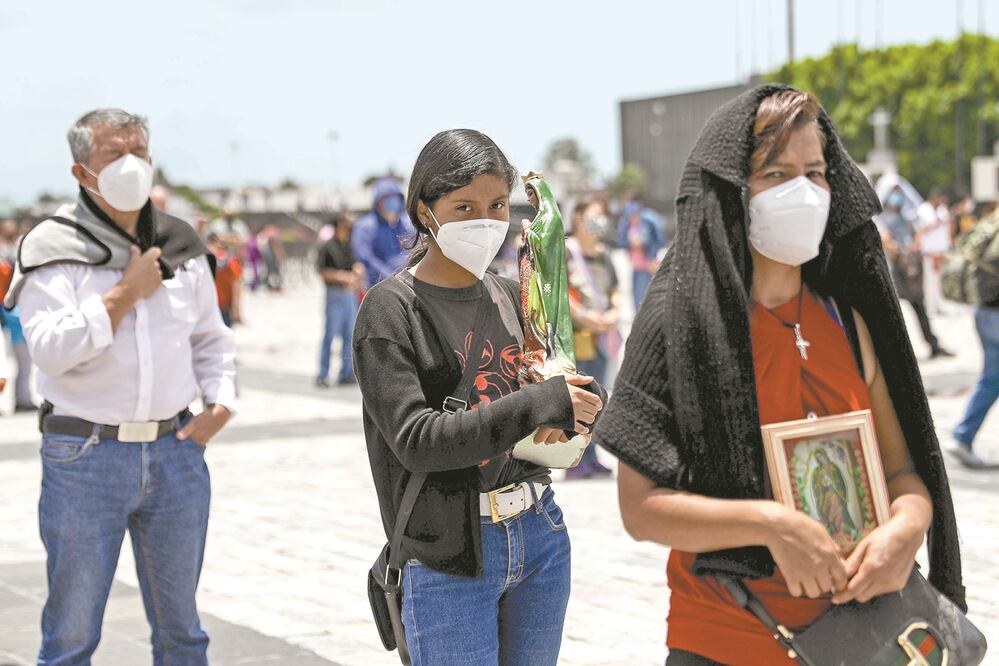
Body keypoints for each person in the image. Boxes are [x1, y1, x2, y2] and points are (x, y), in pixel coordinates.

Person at [593, 86, 965, 665]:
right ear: (733, 192)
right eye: (776, 173)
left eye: (815, 173)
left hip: (862, 640)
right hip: (722, 640)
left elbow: (903, 473)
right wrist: (770, 526)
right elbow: (641, 509)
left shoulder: (847, 322)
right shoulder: (679, 322)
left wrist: (906, 531)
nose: (804, 192)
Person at [353, 129, 606, 665]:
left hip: (540, 534)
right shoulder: (391, 310)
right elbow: (416, 440)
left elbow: (534, 394)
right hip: (449, 555)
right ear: (425, 210)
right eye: (464, 206)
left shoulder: (506, 292)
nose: (485, 220)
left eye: (496, 204)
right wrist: (538, 404)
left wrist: (576, 403)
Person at [6, 108, 236, 665]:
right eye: (115, 155)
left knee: (182, 631)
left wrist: (220, 400)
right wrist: (123, 295)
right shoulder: (52, 247)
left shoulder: (180, 241)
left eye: (140, 154)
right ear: (83, 172)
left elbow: (210, 336)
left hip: (175, 453)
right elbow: (50, 351)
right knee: (72, 634)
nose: (132, 166)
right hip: (85, 456)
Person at [564, 201, 619, 480]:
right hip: (575, 337)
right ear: (578, 217)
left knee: (598, 397)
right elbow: (559, 290)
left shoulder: (605, 255)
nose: (598, 222)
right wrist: (585, 317)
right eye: (592, 216)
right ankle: (574, 459)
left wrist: (612, 313)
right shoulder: (566, 251)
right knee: (577, 398)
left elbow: (614, 289)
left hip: (601, 337)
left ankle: (593, 454)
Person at [947, 207, 999, 469]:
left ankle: (962, 436)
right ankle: (962, 435)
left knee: (991, 379)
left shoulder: (991, 219)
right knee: (992, 379)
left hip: (983, 310)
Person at [876, 186, 953, 359]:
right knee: (894, 310)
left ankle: (932, 344)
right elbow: (887, 242)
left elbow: (917, 235)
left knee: (918, 304)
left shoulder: (906, 215)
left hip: (909, 268)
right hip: (892, 269)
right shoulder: (881, 218)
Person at [316, 213, 364, 387]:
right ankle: (323, 373)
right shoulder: (328, 246)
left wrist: (356, 272)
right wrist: (341, 276)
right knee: (330, 335)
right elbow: (322, 270)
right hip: (334, 293)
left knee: (349, 335)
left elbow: (353, 265)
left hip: (348, 294)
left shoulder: (348, 245)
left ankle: (346, 373)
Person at [351, 177, 415, 288]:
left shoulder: (408, 225)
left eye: (395, 198)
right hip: (375, 287)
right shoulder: (365, 226)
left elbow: (415, 250)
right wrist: (390, 277)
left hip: (407, 284)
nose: (393, 202)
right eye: (387, 199)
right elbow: (365, 258)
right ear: (378, 202)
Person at [0, 218, 34, 411]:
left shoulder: (12, 252)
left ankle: (22, 399)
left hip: (11, 311)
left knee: (23, 359)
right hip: (8, 310)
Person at [616, 193, 665, 308]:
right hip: (635, 266)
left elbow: (659, 239)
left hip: (648, 265)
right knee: (636, 300)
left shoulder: (649, 218)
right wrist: (630, 242)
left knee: (648, 299)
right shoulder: (626, 221)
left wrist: (650, 255)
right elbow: (621, 242)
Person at [917, 187, 952, 315]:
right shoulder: (923, 209)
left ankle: (941, 305)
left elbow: (948, 227)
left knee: (940, 281)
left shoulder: (943, 210)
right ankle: (930, 306)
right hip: (929, 252)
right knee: (929, 281)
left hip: (941, 251)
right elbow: (922, 229)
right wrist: (936, 223)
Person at [207, 232, 243, 327]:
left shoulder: (206, 258)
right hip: (222, 304)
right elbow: (236, 284)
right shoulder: (230, 260)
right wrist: (236, 308)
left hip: (214, 305)